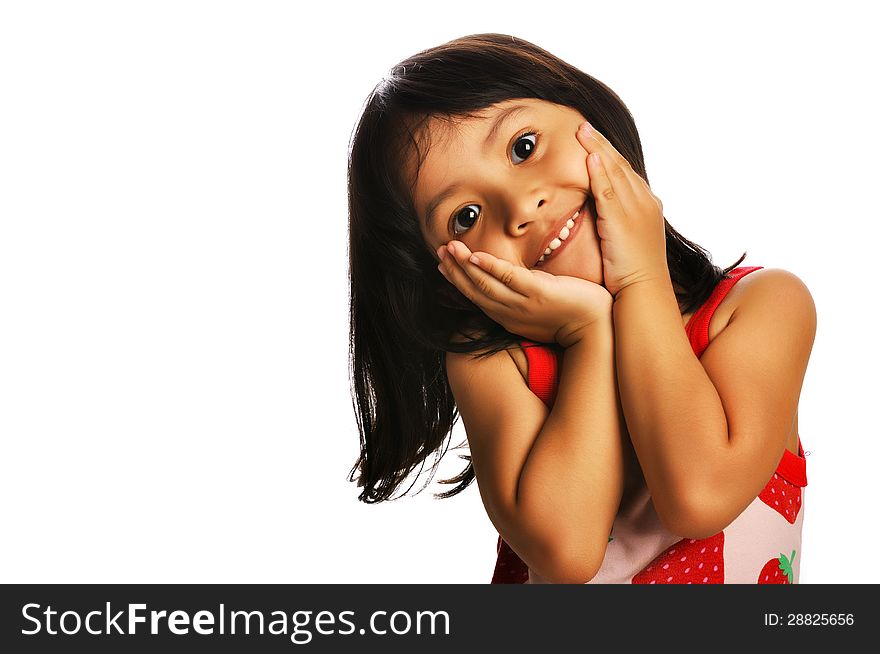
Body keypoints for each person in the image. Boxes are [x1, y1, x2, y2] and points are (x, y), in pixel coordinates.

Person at [346, 33, 816, 584]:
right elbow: (567, 553)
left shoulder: (761, 307)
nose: (521, 207)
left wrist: (640, 280)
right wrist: (588, 335)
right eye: (466, 216)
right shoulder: (494, 364)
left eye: (524, 147)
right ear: (444, 277)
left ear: (591, 115)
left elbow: (699, 494)